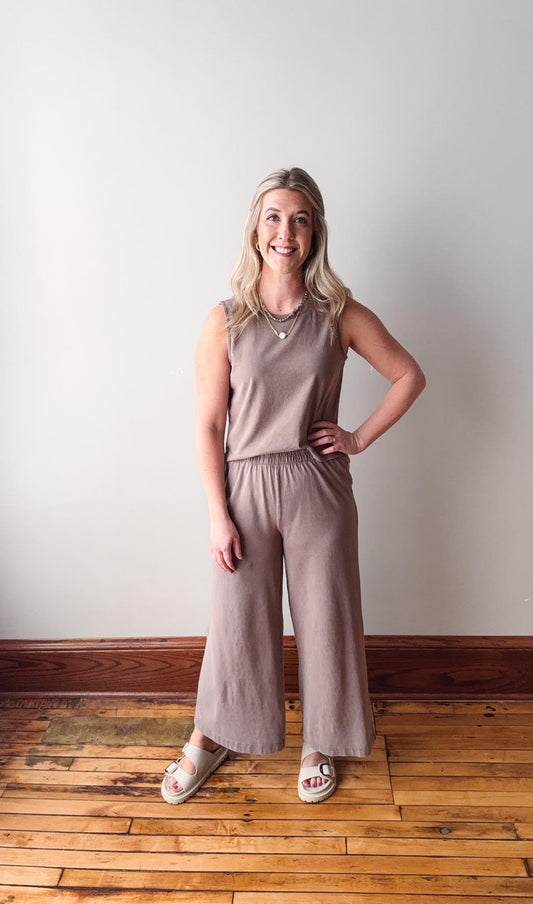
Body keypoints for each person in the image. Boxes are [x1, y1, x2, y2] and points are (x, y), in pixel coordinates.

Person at [161, 167, 426, 805]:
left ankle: (321, 741)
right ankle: (211, 735)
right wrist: (217, 514)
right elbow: (208, 425)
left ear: (315, 233)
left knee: (326, 617)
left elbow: (409, 376)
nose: (286, 231)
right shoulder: (225, 320)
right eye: (275, 217)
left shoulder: (339, 314)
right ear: (257, 230)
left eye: (300, 219)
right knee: (235, 620)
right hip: (246, 485)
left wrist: (357, 437)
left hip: (317, 485)